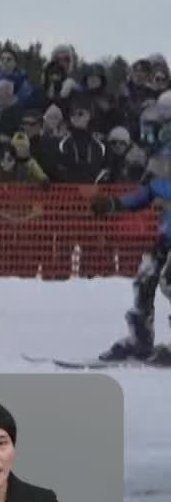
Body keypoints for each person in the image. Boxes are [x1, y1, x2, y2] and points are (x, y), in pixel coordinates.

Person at [89, 140, 171, 363]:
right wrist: (113, 204)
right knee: (145, 278)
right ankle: (141, 340)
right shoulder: (164, 157)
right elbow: (145, 194)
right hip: (166, 236)